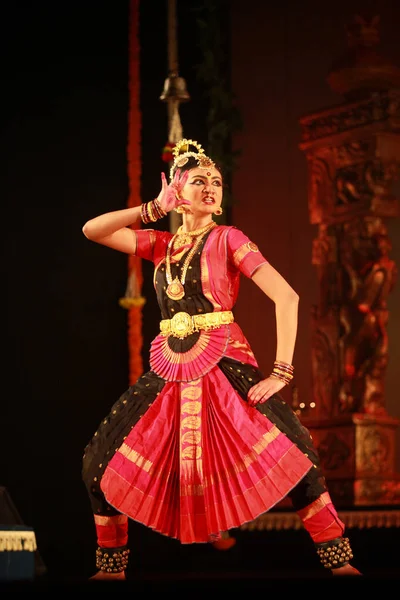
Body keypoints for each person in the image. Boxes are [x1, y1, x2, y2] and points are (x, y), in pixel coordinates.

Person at [81, 138, 361, 580]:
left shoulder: (229, 238)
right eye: (199, 181)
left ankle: (341, 565)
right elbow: (92, 230)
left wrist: (281, 372)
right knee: (99, 461)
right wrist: (153, 207)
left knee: (299, 456)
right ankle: (111, 571)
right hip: (169, 368)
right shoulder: (162, 245)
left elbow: (286, 297)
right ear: (177, 189)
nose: (211, 187)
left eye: (217, 181)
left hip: (225, 362)